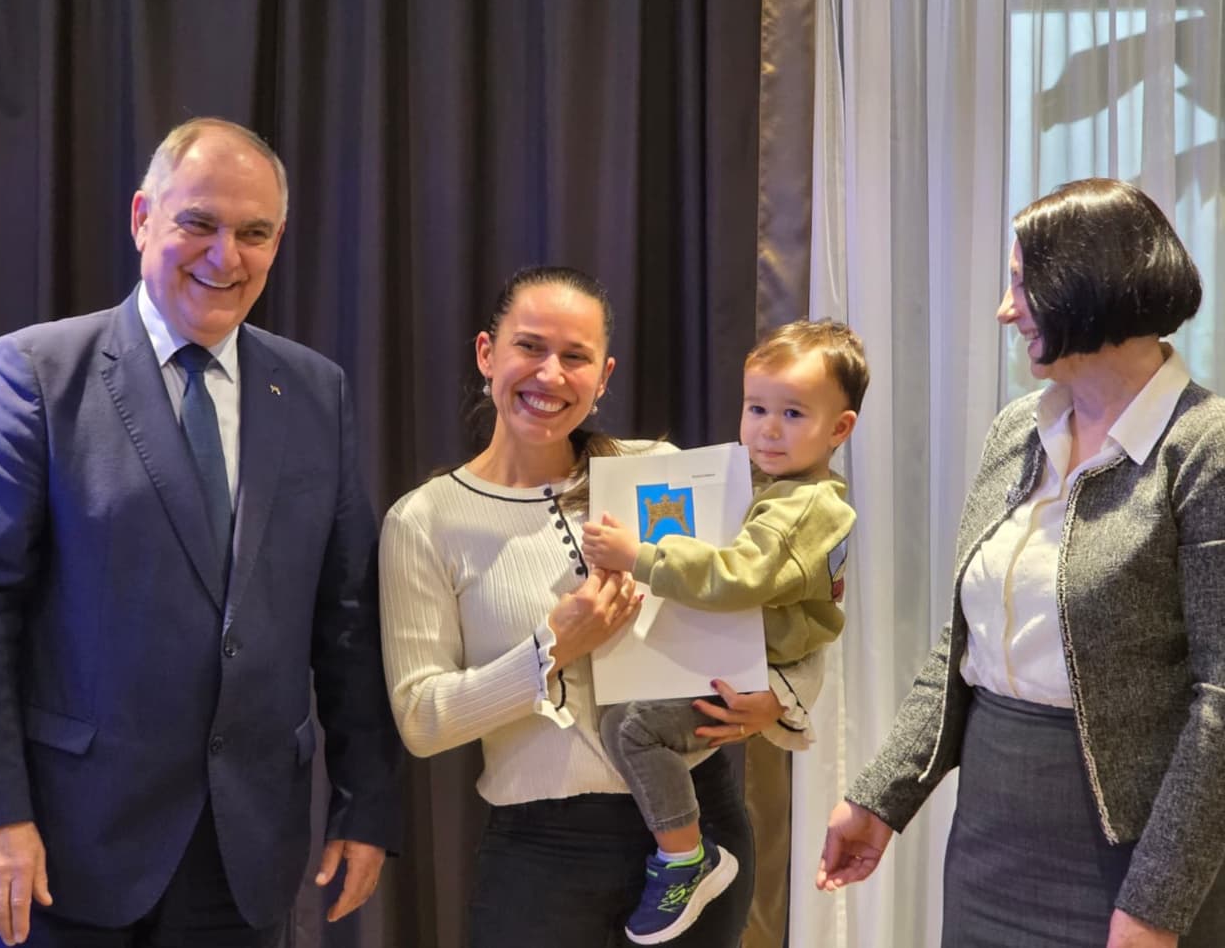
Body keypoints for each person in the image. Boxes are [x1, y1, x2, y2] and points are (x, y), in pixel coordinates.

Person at [0, 117, 402, 947]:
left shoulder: (314, 391)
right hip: (61, 849)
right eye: (199, 223)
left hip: (245, 853)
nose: (226, 256)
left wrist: (366, 805)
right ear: (143, 217)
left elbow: (348, 617)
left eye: (254, 233)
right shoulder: (35, 374)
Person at [816, 178, 1225, 947]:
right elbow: (962, 645)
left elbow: (1221, 700)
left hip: (1130, 857)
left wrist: (1158, 902)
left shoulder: (1206, 448)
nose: (1007, 310)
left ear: (1089, 281)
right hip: (990, 831)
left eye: (1022, 284)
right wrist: (881, 798)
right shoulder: (1018, 430)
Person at [378, 265, 824, 948]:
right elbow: (421, 719)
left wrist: (781, 699)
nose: (550, 374)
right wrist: (551, 649)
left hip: (703, 829)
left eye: (576, 356)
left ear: (604, 375)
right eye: (530, 347)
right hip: (542, 854)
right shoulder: (425, 521)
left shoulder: (661, 470)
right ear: (486, 354)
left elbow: (789, 589)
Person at [582, 319, 867, 944]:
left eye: (793, 413)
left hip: (760, 670)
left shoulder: (803, 506)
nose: (768, 428)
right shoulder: (783, 488)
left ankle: (686, 858)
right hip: (745, 661)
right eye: (756, 408)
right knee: (622, 722)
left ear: (839, 429)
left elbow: (741, 577)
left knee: (633, 730)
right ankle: (682, 848)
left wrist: (639, 557)